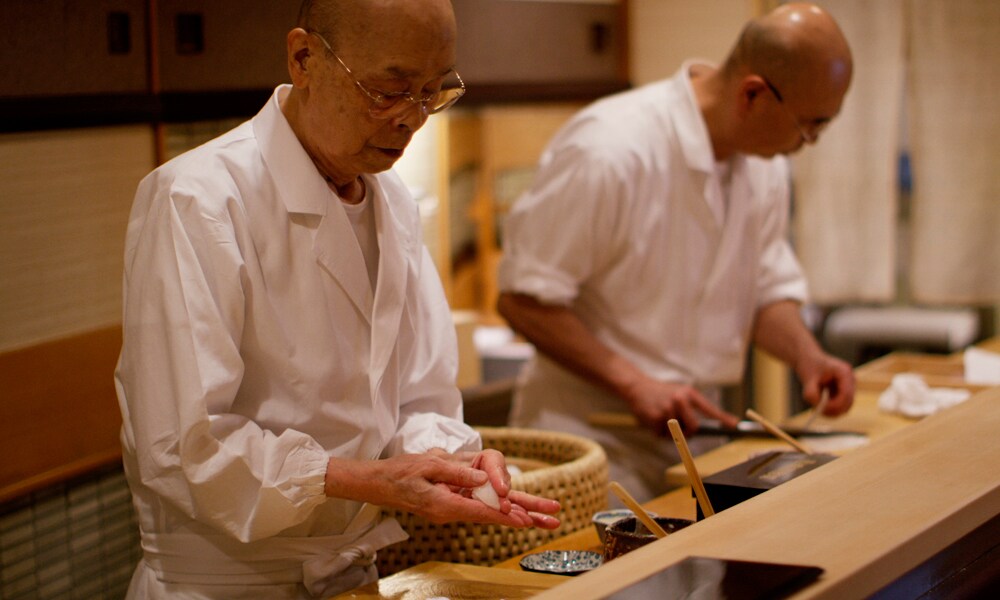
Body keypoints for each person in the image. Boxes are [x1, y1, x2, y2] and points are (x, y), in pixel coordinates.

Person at [114, 1, 560, 597]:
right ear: (304, 58)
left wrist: (453, 466)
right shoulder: (198, 199)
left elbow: (419, 395)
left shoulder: (393, 201)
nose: (413, 118)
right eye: (389, 90)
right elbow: (186, 443)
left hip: (352, 577)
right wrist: (369, 480)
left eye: (434, 92)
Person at [497, 2, 857, 502]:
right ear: (753, 93)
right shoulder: (611, 149)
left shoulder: (764, 164)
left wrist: (809, 357)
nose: (809, 142)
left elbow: (763, 291)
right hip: (590, 442)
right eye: (809, 126)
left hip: (695, 439)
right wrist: (635, 383)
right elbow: (522, 299)